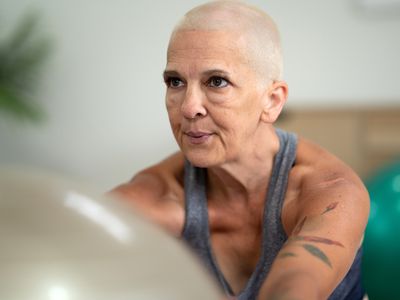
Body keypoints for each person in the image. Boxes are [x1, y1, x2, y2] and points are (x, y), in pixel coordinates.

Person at [111, 1, 370, 299]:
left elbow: (295, 286)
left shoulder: (331, 192)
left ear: (272, 101)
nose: (189, 107)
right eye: (175, 81)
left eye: (217, 81)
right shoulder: (160, 194)